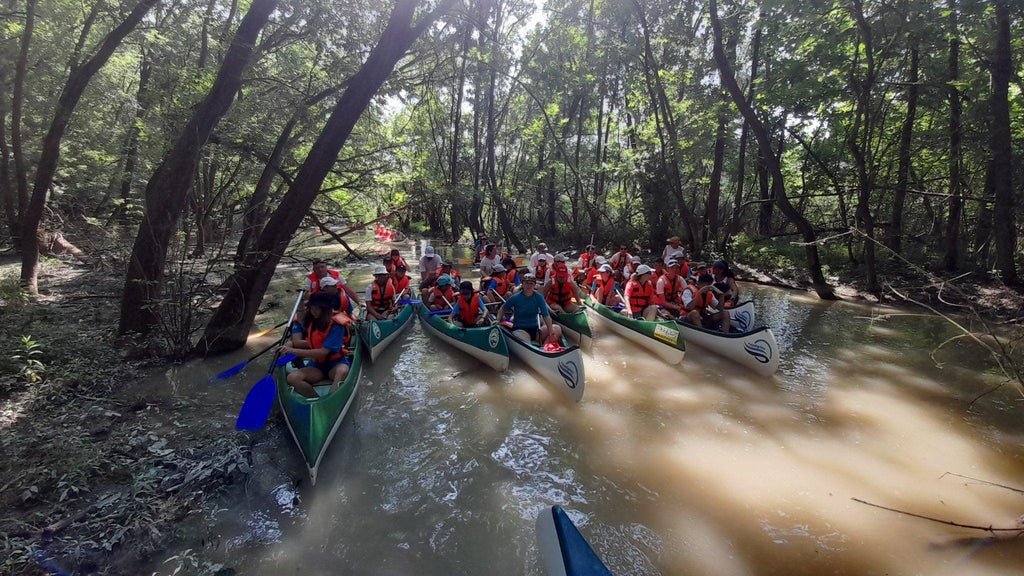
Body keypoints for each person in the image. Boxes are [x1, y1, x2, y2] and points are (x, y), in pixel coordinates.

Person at [280, 291, 353, 398]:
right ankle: (315, 399)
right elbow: (300, 316)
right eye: (311, 308)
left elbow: (322, 353)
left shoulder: (337, 325)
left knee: (342, 371)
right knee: (292, 378)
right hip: (317, 366)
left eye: (316, 308)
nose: (313, 311)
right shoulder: (311, 320)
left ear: (325, 309)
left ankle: (331, 399)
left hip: (336, 363)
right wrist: (301, 300)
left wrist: (292, 351)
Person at [494, 273, 562, 346]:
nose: (529, 285)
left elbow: (546, 316)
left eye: (531, 283)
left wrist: (551, 332)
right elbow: (503, 308)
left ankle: (545, 348)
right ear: (522, 284)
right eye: (526, 283)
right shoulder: (515, 297)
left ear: (534, 285)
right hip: (520, 329)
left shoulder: (539, 297)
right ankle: (535, 348)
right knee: (525, 340)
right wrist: (498, 319)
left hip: (535, 330)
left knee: (557, 328)